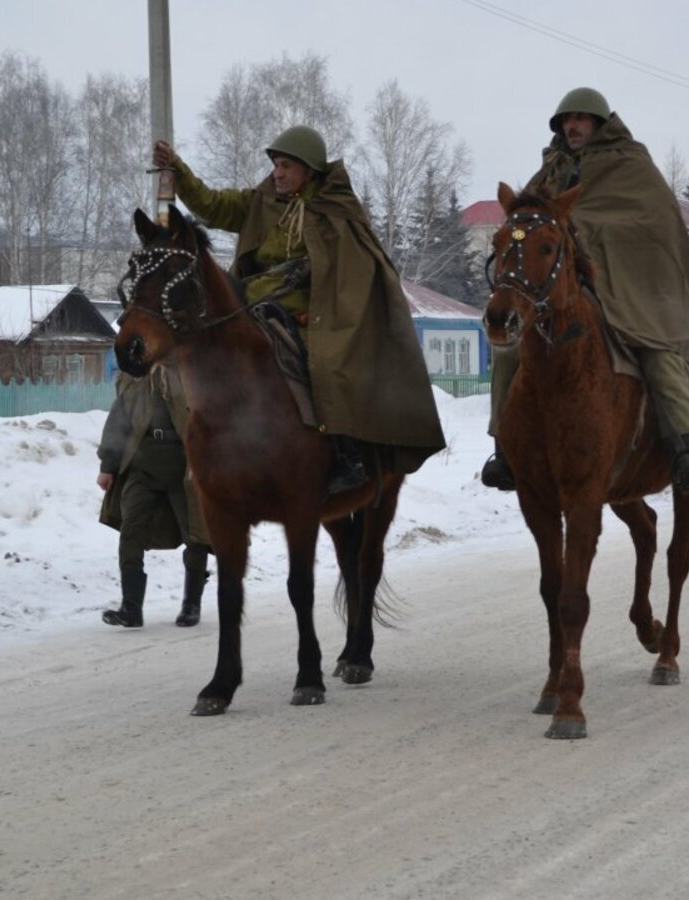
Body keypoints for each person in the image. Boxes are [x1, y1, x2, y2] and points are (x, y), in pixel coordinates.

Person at [151, 127, 446, 495]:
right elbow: (212, 204)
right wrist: (178, 170)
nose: (277, 173)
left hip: (316, 312)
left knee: (329, 364)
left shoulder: (336, 210)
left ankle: (346, 453)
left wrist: (316, 296)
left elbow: (353, 275)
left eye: (286, 165)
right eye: (275, 165)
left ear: (309, 169)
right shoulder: (263, 201)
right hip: (251, 303)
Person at [481, 87, 689, 495]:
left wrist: (581, 226)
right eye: (566, 121)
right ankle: (504, 450)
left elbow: (652, 222)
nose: (572, 126)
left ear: (598, 123)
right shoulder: (552, 170)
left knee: (657, 352)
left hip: (631, 287)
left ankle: (684, 448)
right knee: (510, 352)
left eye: (580, 119)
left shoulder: (631, 164)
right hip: (568, 290)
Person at [98, 370, 213, 628]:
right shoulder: (135, 375)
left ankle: (191, 605)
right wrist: (108, 465)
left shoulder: (188, 368)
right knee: (131, 530)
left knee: (195, 533)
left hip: (185, 465)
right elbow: (120, 420)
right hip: (143, 463)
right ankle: (131, 607)